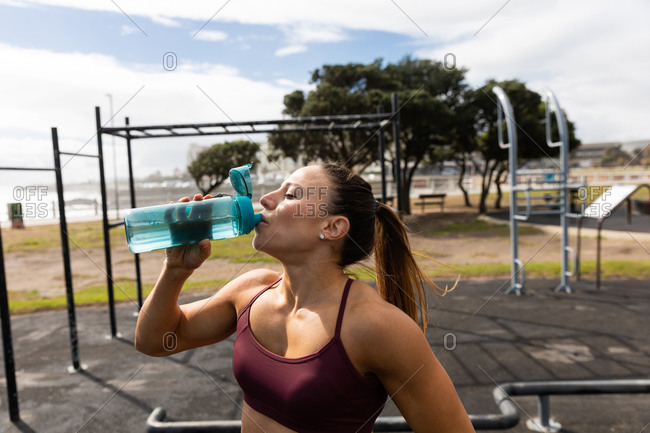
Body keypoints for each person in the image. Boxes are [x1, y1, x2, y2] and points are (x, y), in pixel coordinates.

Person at [135, 162, 475, 433]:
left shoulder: (377, 326)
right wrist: (175, 269)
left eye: (291, 194)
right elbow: (154, 340)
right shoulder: (251, 291)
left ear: (331, 228)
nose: (267, 198)